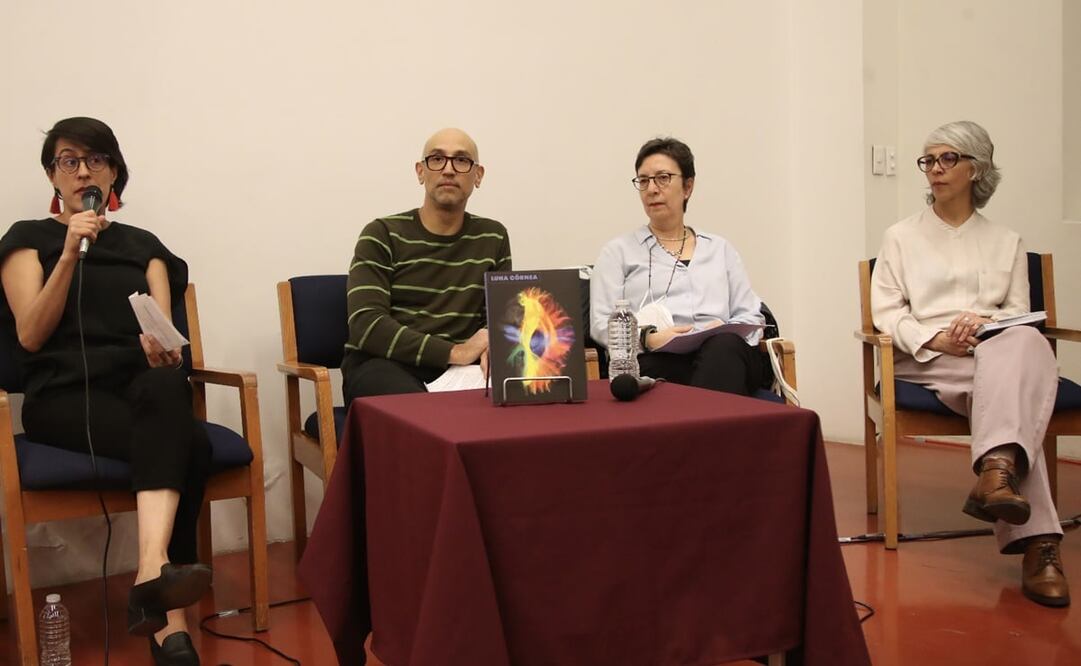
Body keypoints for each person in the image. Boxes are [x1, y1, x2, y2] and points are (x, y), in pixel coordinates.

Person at [0, 117, 212, 664]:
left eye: (95, 160)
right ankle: (167, 619)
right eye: (68, 160)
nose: (82, 170)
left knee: (168, 386)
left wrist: (165, 351)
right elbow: (29, 334)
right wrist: (69, 253)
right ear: (53, 176)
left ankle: (150, 581)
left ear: (114, 174)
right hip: (63, 398)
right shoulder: (28, 239)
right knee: (194, 445)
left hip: (137, 387)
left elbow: (168, 338)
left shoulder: (146, 247)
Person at [871, 120, 1068, 608]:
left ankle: (998, 472)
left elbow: (1020, 314)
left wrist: (983, 324)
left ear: (976, 168)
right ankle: (1038, 542)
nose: (934, 170)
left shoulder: (1007, 240)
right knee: (1017, 390)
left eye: (947, 159)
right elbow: (888, 313)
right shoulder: (900, 237)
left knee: (1021, 347)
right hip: (929, 360)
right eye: (929, 161)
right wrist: (939, 336)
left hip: (990, 353)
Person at [342, 128, 512, 402]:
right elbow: (366, 325)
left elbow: (498, 320)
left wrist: (491, 344)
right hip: (384, 366)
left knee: (524, 404)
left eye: (461, 160)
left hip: (459, 373)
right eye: (436, 159)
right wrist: (455, 352)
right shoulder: (382, 233)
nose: (448, 169)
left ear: (477, 176)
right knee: (422, 416)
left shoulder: (493, 236)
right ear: (421, 171)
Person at [590, 137, 766, 395]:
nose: (652, 189)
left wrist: (722, 329)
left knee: (724, 347)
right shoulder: (618, 252)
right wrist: (646, 338)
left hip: (724, 356)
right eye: (644, 180)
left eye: (662, 178)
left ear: (688, 187)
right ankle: (713, 430)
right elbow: (601, 322)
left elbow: (751, 316)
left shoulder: (721, 250)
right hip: (659, 359)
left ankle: (697, 429)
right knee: (656, 369)